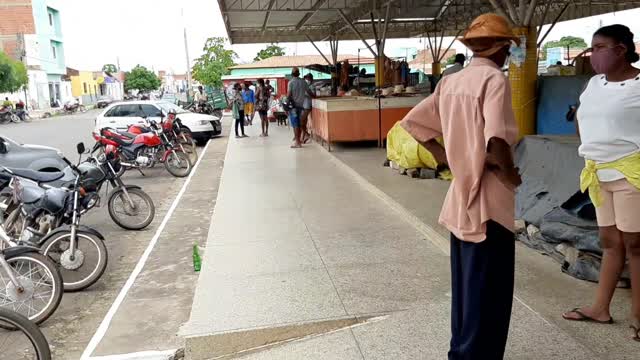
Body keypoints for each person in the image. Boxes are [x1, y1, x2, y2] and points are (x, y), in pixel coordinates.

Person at [401, 13, 521, 359]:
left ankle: (461, 350)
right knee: (492, 288)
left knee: (466, 284)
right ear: (501, 49)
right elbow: (496, 140)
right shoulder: (494, 79)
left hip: (460, 196)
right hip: (490, 197)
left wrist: (450, 159)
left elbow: (413, 123)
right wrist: (509, 173)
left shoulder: (451, 82)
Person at [561, 24, 640, 343]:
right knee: (610, 242)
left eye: (598, 48)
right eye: (591, 48)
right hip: (597, 173)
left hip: (631, 173)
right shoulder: (594, 83)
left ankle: (639, 315)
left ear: (621, 50)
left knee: (636, 245)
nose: (592, 55)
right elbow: (583, 117)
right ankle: (600, 308)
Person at [287, 67, 307, 148]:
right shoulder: (303, 82)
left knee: (295, 125)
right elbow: (309, 91)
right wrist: (315, 96)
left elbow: (288, 95)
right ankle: (299, 141)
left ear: (292, 74)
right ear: (298, 74)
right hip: (301, 106)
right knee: (299, 124)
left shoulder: (291, 82)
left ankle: (298, 142)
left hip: (293, 107)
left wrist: (286, 106)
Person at [301, 73, 316, 144]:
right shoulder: (305, 86)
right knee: (304, 122)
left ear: (310, 78)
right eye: (306, 78)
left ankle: (307, 134)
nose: (306, 79)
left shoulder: (312, 86)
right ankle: (303, 137)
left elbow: (313, 95)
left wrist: (306, 92)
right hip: (304, 105)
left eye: (307, 78)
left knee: (301, 121)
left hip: (308, 105)